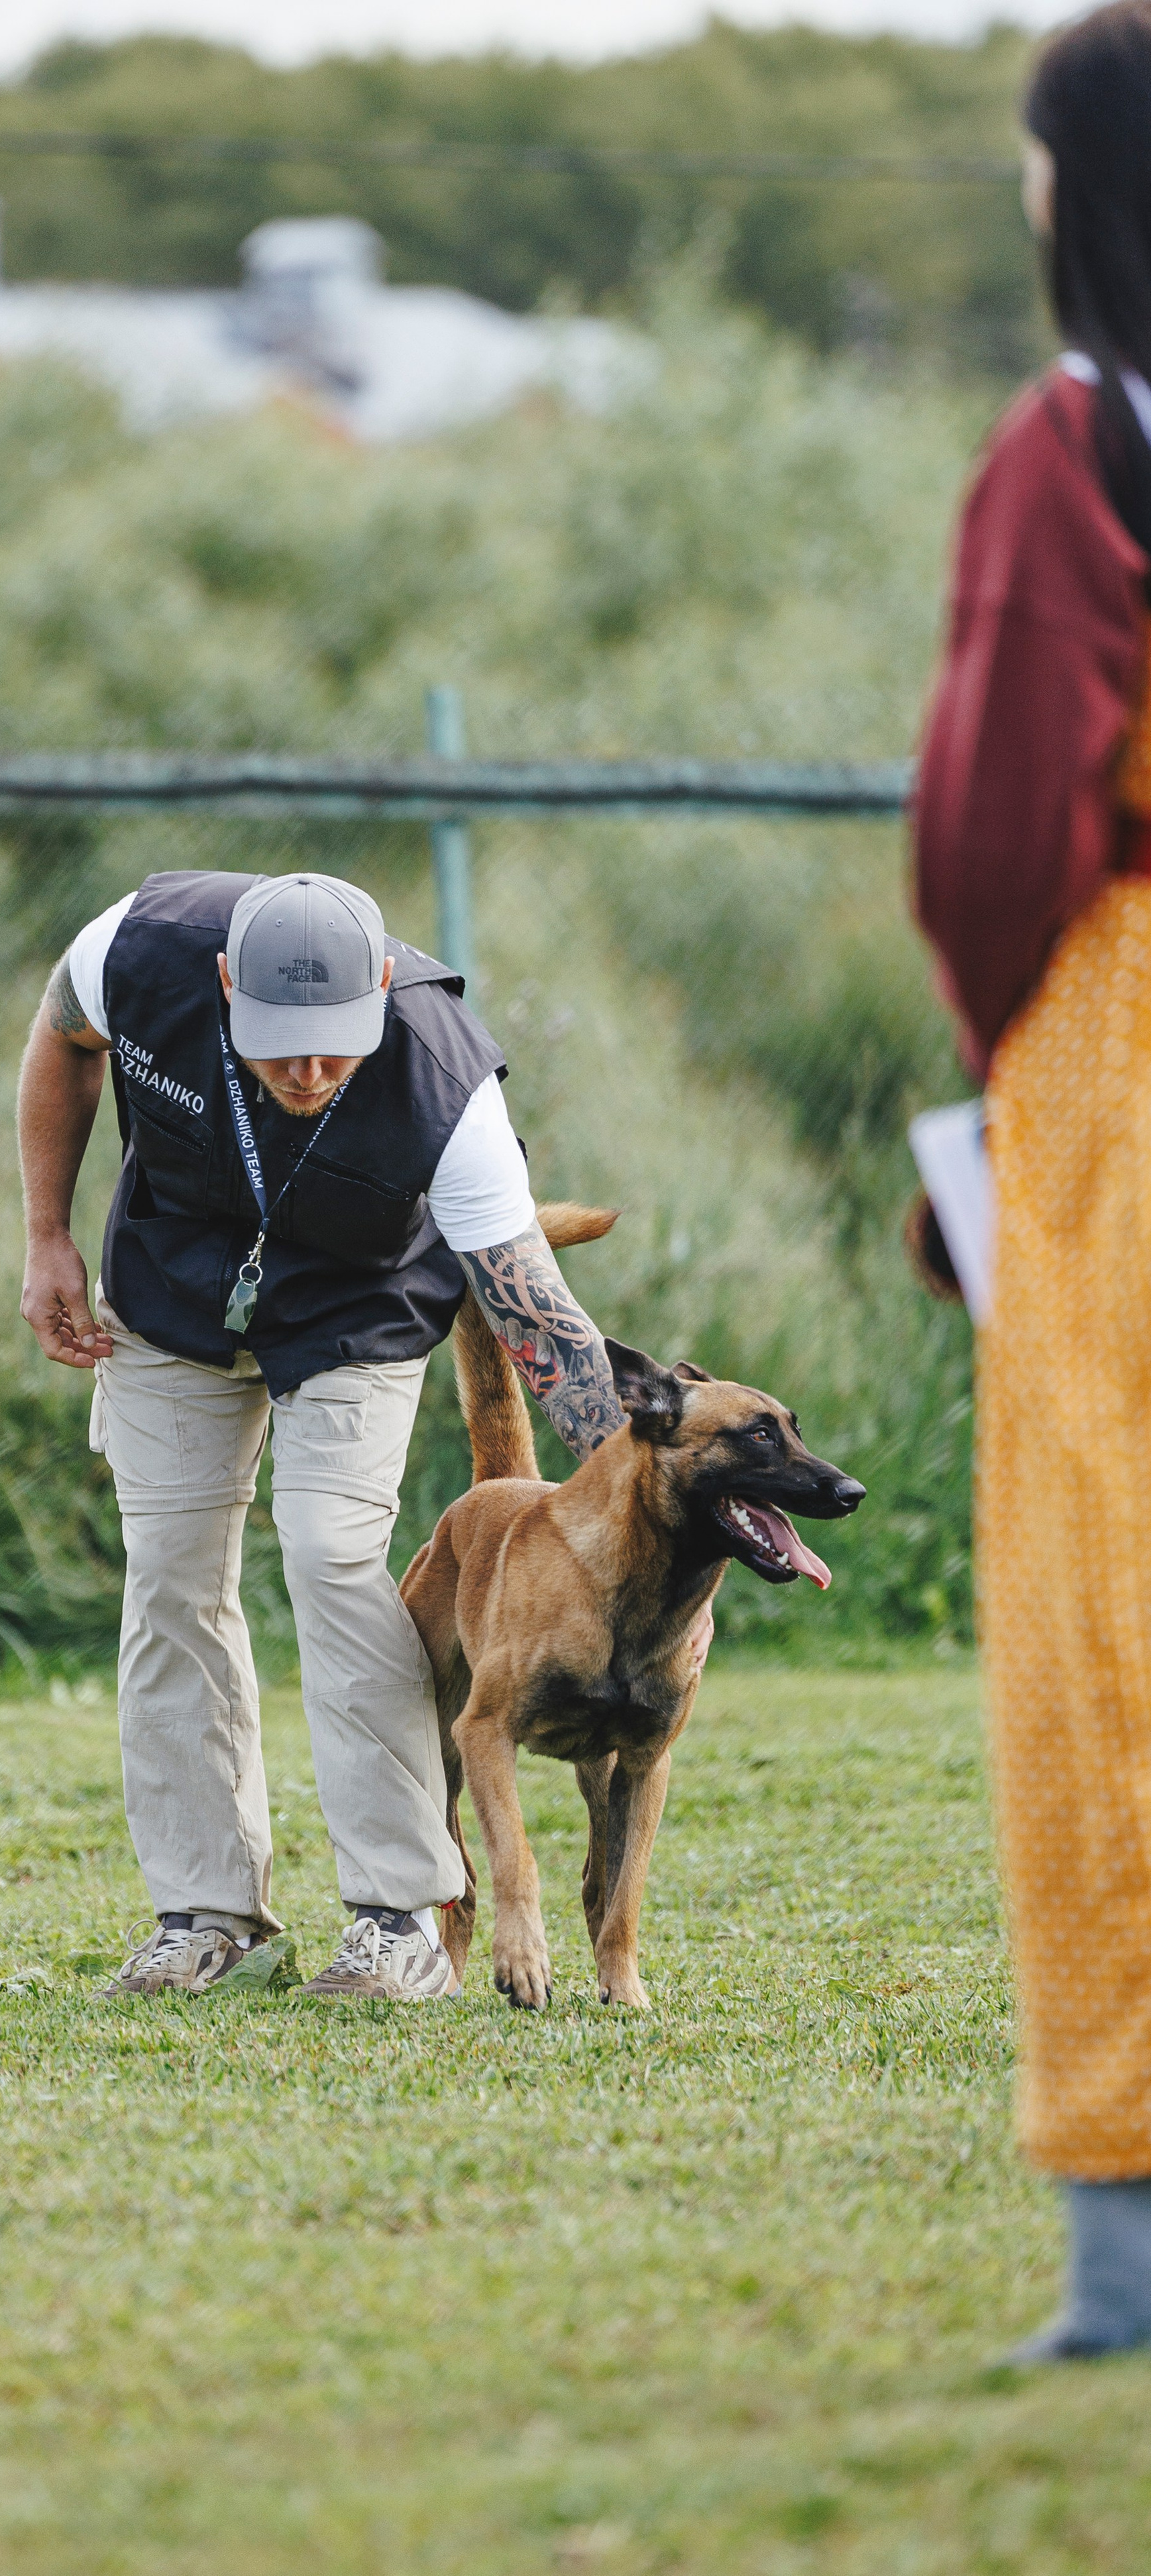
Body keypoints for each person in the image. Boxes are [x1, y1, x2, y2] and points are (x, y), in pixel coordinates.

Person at [18, 867, 693, 2000]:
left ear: (380, 988)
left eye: (335, 1046)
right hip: (175, 1285)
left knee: (332, 1553)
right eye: (279, 1048)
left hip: (358, 1306)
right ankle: (207, 1914)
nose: (309, 1072)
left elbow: (542, 1325)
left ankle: (401, 1918)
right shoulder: (131, 952)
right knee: (170, 1576)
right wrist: (46, 1234)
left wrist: (648, 1510)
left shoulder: (445, 1083)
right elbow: (61, 1038)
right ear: (224, 984)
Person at [915, 0, 1151, 2359]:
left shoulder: (1081, 444)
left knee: (1109, 1625)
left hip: (1128, 1057)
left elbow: (1002, 828)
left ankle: (1130, 2255)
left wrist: (1000, 1098)